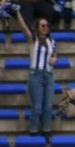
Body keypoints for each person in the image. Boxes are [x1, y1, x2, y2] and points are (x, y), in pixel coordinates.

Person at [13, 11, 57, 139]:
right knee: (37, 107)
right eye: (43, 25)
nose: (45, 28)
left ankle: (47, 129)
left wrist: (55, 59)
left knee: (48, 106)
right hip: (36, 75)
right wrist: (18, 13)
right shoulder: (33, 39)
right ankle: (33, 129)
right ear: (37, 27)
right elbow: (23, 27)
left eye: (47, 26)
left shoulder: (52, 42)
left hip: (48, 74)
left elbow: (54, 55)